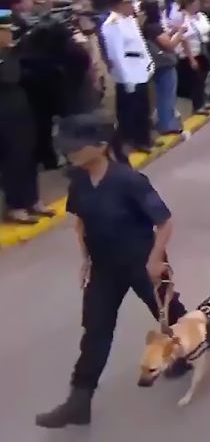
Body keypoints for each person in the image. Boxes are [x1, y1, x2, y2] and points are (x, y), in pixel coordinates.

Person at [35, 114, 190, 428]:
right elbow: (80, 222)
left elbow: (165, 222)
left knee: (170, 313)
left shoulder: (128, 181)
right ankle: (79, 401)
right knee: (95, 332)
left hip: (141, 263)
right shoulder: (78, 182)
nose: (71, 153)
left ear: (101, 146)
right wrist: (86, 260)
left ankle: (189, 352)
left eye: (77, 147)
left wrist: (156, 259)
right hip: (104, 269)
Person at [0, 8, 54, 224]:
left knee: (29, 155)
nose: (10, 35)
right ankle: (16, 205)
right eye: (6, 31)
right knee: (13, 160)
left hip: (22, 110)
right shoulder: (6, 56)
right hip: (4, 115)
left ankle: (33, 200)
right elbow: (10, 77)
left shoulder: (12, 53)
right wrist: (12, 54)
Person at [100, 0, 154, 153]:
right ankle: (132, 140)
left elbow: (140, 43)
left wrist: (149, 61)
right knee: (130, 110)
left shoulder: (130, 20)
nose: (133, 6)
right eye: (129, 2)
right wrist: (125, 77)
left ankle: (143, 138)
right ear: (120, 4)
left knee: (143, 106)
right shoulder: (112, 24)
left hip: (140, 68)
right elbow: (116, 54)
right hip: (127, 71)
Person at [140, 0, 184, 135]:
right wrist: (180, 33)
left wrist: (171, 32)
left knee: (162, 94)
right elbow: (169, 45)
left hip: (155, 64)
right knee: (167, 95)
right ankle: (166, 124)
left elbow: (161, 40)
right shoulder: (154, 27)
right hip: (164, 64)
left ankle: (164, 122)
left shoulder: (146, 27)